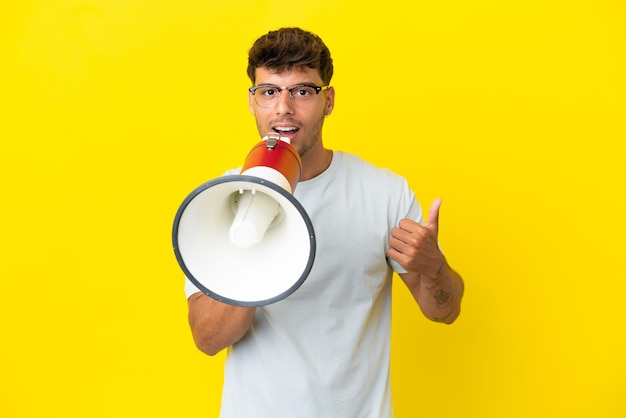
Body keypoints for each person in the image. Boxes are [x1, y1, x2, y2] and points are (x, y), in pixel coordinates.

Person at [184, 27, 465, 417]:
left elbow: (444, 311)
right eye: (268, 91)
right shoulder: (219, 202)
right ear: (252, 103)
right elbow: (207, 338)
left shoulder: (384, 193)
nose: (283, 108)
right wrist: (252, 242)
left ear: (328, 100)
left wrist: (434, 267)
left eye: (302, 91)